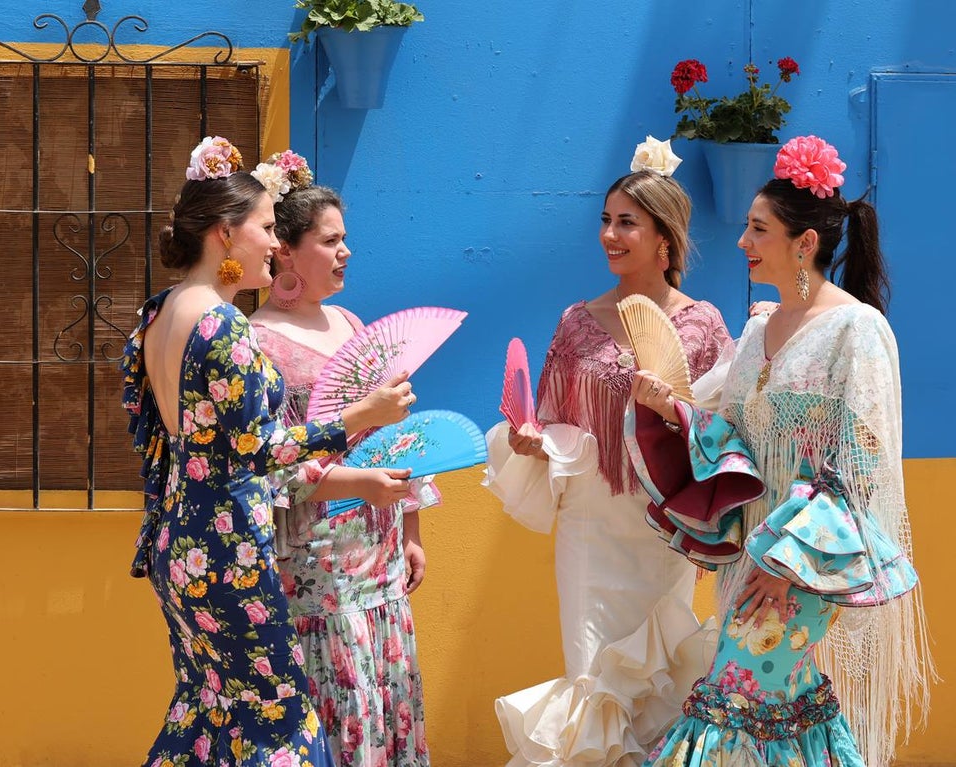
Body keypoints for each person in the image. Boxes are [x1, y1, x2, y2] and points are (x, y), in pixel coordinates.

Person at [629, 135, 933, 767]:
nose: (742, 241)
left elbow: (861, 466)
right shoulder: (758, 328)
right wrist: (673, 412)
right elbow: (734, 439)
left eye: (758, 229)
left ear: (805, 243)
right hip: (752, 555)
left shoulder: (857, 329)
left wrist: (788, 563)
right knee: (775, 707)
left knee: (730, 699)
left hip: (807, 562)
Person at [120, 136, 416, 767]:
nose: (273, 242)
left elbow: (154, 434)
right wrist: (358, 417)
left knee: (209, 713)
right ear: (226, 233)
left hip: (180, 538)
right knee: (277, 725)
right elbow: (259, 449)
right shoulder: (222, 322)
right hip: (226, 544)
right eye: (264, 227)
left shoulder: (158, 313)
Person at [484, 137, 731, 767]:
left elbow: (721, 429)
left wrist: (670, 412)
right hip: (590, 523)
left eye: (627, 223)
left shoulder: (703, 325)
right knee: (592, 669)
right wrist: (531, 441)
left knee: (661, 673)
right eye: (606, 220)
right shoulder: (576, 321)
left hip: (661, 525)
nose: (609, 235)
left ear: (665, 238)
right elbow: (549, 418)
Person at [248, 153, 436, 767]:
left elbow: (393, 433)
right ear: (285, 252)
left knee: (387, 691)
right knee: (343, 697)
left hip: (381, 548)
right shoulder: (258, 342)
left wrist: (411, 526)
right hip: (318, 559)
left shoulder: (350, 322)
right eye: (329, 241)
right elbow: (270, 463)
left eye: (344, 239)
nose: (345, 252)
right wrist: (360, 482)